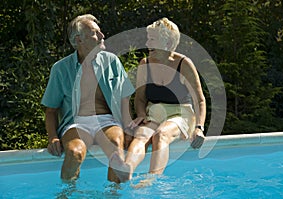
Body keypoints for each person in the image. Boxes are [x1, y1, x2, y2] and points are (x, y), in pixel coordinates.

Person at [110, 17, 206, 182]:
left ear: (167, 43)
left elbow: (200, 100)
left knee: (161, 134)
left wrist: (199, 127)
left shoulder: (184, 64)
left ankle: (152, 179)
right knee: (141, 135)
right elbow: (140, 98)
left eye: (152, 39)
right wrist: (141, 115)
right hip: (154, 112)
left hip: (181, 114)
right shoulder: (145, 64)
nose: (147, 44)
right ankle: (127, 169)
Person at [41, 14, 135, 182]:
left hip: (107, 121)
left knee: (115, 147)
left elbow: (124, 98)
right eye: (95, 33)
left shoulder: (112, 61)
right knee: (74, 153)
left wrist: (128, 127)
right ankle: (68, 193)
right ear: (79, 40)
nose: (102, 36)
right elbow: (51, 110)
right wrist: (53, 137)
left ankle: (113, 194)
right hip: (76, 123)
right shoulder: (60, 69)